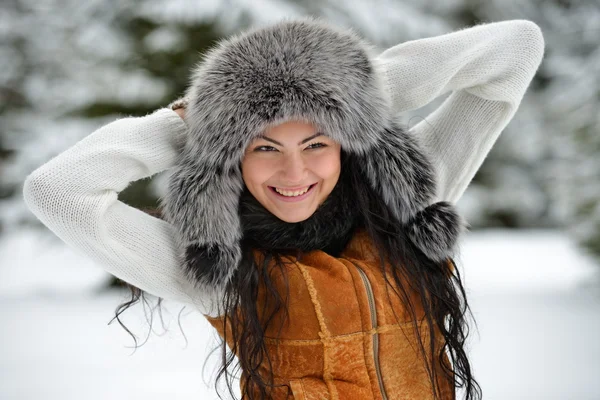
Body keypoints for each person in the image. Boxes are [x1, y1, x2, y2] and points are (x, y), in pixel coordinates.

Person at [22, 16, 544, 400]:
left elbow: (516, 47)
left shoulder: (404, 203)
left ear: (347, 142)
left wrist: (350, 88)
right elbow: (58, 191)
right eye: (265, 148)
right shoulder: (217, 263)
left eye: (316, 144)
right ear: (230, 158)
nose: (295, 174)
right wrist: (194, 122)